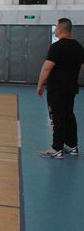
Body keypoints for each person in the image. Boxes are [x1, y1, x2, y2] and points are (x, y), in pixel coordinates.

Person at [36, 18, 84, 158]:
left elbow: (47, 68)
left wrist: (40, 84)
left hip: (56, 89)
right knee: (69, 116)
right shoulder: (78, 47)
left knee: (57, 117)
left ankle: (56, 148)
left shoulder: (57, 47)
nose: (55, 29)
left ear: (61, 29)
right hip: (71, 89)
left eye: (56, 27)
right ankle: (72, 146)